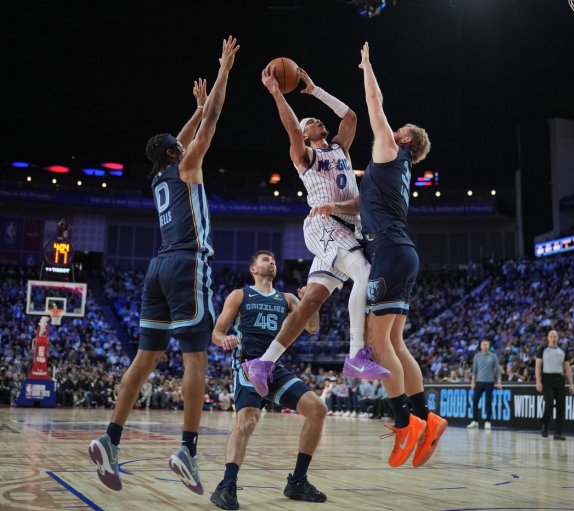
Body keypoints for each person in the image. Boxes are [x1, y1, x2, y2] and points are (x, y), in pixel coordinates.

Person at [88, 36, 240, 494]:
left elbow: (187, 130)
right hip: (187, 264)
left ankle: (110, 438)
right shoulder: (187, 164)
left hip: (156, 269)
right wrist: (224, 72)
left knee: (145, 357)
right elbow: (210, 120)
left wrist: (192, 110)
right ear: (176, 150)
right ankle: (188, 450)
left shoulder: (160, 174)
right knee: (196, 359)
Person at [310, 42, 444, 469]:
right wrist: (334, 207)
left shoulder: (389, 151)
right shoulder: (393, 173)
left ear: (403, 138)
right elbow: (362, 204)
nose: (386, 129)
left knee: (374, 341)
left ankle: (405, 426)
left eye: (393, 128)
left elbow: (373, 103)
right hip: (403, 252)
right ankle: (427, 418)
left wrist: (367, 67)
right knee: (395, 341)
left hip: (389, 252)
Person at [244, 65, 389, 394]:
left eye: (316, 120)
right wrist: (277, 93)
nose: (315, 122)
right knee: (364, 273)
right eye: (309, 122)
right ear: (305, 134)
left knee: (309, 304)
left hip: (345, 228)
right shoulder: (304, 155)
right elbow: (293, 131)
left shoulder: (339, 148)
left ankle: (263, 362)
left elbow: (351, 116)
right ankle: (356, 354)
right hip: (323, 224)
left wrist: (314, 90)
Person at [209, 251, 327, 508]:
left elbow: (313, 327)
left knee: (318, 409)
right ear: (253, 269)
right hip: (248, 365)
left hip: (275, 367)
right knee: (249, 417)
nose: (271, 262)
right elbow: (216, 333)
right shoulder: (240, 295)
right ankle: (226, 485)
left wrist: (311, 302)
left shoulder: (287, 298)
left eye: (273, 260)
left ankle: (297, 481)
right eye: (264, 260)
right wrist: (224, 340)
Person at [534, 330, 574, 440]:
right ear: (548, 338)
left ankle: (558, 433)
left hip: (559, 379)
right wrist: (538, 381)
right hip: (546, 379)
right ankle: (545, 425)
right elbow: (537, 367)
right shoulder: (542, 350)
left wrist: (571, 384)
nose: (553, 338)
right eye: (551, 336)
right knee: (549, 402)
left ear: (558, 338)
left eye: (555, 336)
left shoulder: (562, 351)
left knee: (561, 407)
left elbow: (567, 368)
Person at [466, 339, 502, 430]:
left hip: (489, 382)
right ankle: (475, 421)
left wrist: (499, 381)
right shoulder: (477, 357)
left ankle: (488, 421)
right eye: (483, 344)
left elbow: (497, 370)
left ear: (489, 346)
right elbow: (475, 371)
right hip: (479, 382)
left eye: (486, 344)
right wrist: (472, 382)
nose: (485, 346)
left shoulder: (493, 356)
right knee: (475, 401)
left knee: (488, 402)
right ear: (481, 346)